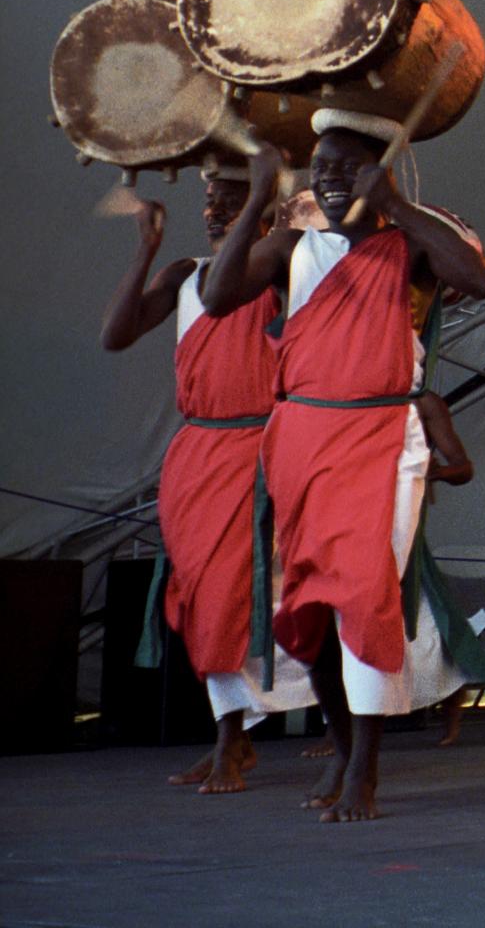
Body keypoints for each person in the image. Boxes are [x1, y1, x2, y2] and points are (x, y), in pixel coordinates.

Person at [202, 113, 485, 822]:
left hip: (383, 438)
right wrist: (255, 202)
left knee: (363, 598)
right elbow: (216, 297)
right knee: (304, 613)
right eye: (319, 169)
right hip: (303, 439)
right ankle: (342, 746)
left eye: (345, 165)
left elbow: (479, 279)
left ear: (379, 167)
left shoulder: (407, 246)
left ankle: (365, 768)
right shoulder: (292, 248)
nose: (328, 179)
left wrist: (396, 205)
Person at [99, 170, 316, 793]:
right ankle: (235, 736)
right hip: (196, 451)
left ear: (266, 209)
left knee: (237, 595)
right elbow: (116, 335)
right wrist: (145, 249)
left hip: (260, 445)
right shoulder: (186, 274)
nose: (217, 207)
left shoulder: (282, 265)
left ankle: (244, 738)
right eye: (212, 198)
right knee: (198, 595)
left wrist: (265, 202)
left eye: (234, 196)